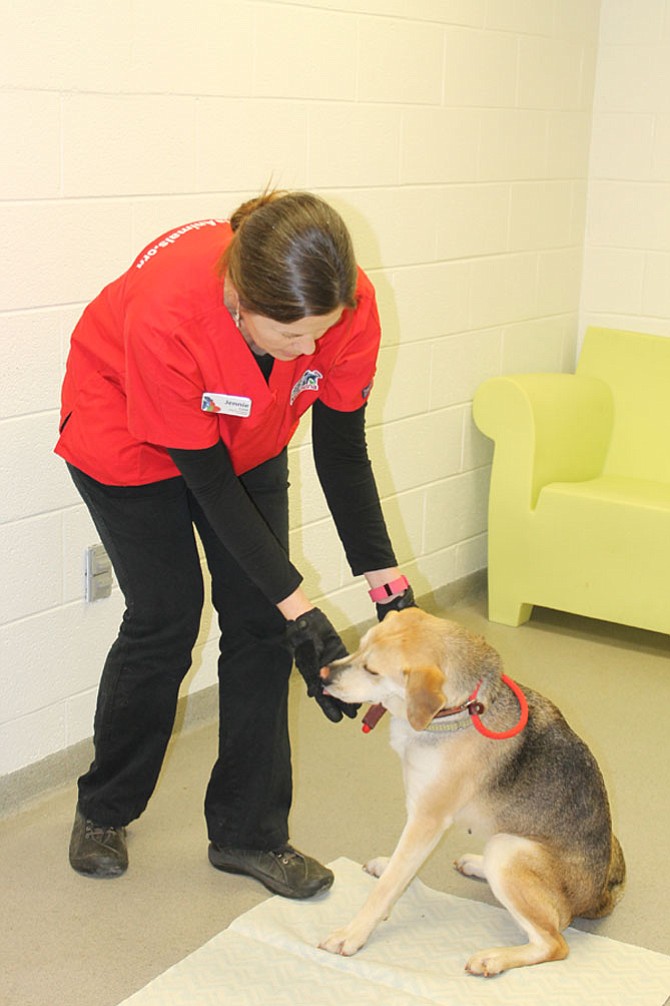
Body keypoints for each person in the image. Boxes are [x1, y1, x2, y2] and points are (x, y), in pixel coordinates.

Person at [55, 190, 416, 898]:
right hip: (126, 434)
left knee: (258, 621)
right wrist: (303, 611)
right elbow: (209, 487)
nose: (312, 350)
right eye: (293, 337)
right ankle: (104, 809)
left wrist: (388, 590)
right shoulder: (172, 314)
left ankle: (249, 833)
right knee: (167, 617)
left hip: (245, 437)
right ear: (240, 305)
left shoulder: (341, 300)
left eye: (323, 331)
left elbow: (342, 452)